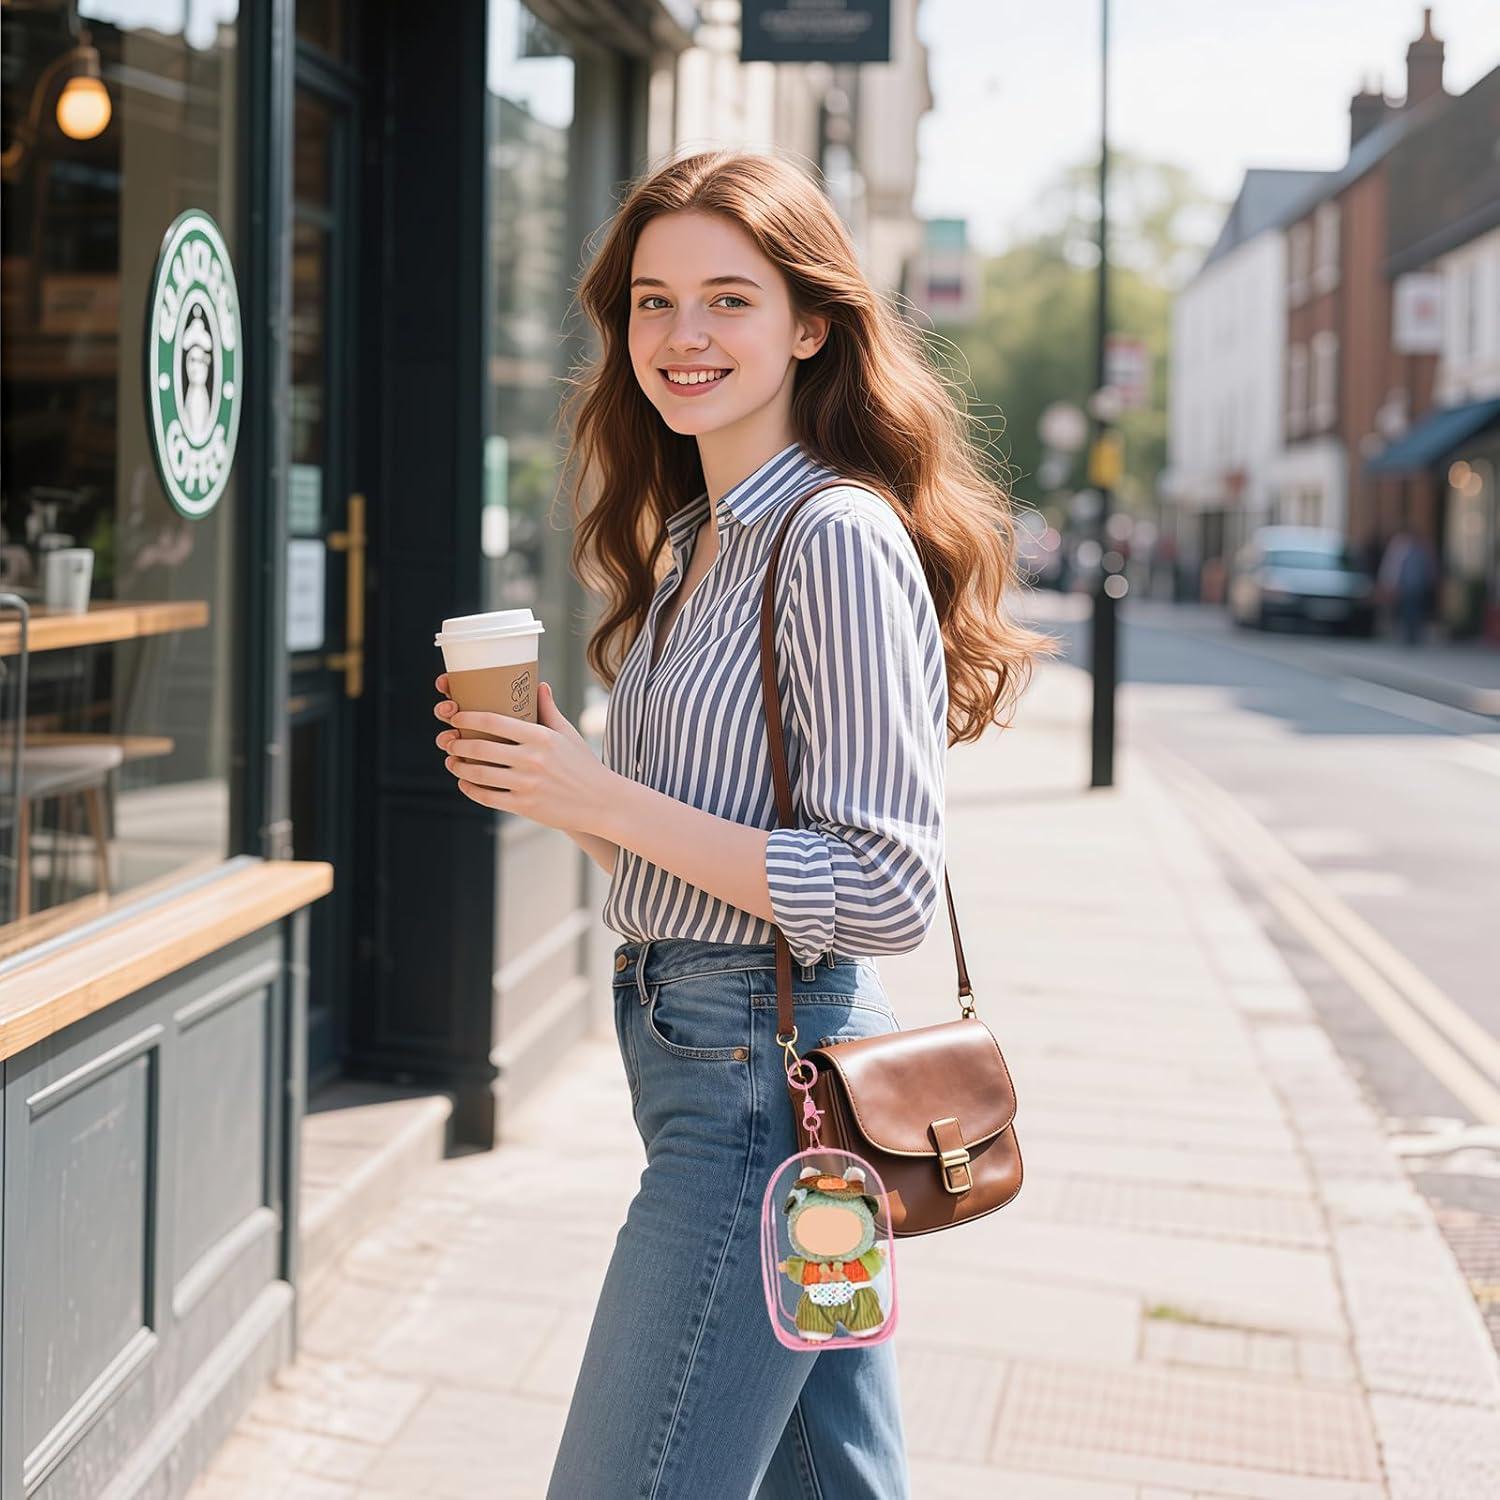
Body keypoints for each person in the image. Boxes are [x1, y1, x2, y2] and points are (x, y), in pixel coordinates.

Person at [431, 147, 1056, 1498]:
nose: (683, 335)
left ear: (811, 322)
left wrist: (603, 796)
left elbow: (885, 883)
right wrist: (559, 788)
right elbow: (699, 861)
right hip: (709, 1066)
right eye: (653, 303)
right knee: (837, 1485)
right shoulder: (689, 538)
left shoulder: (833, 536)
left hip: (763, 1103)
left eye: (728, 298)